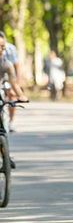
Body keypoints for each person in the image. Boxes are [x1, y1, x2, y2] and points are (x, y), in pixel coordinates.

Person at [0, 35, 28, 168]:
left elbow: (14, 83)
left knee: (2, 127)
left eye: (3, 47)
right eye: (0, 46)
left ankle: (5, 156)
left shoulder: (6, 64)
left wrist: (21, 95)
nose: (2, 49)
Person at [0, 31, 21, 132]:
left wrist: (17, 81)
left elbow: (16, 65)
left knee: (12, 95)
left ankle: (11, 121)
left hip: (7, 75)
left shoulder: (11, 49)